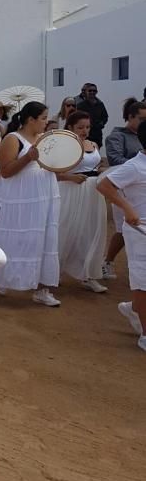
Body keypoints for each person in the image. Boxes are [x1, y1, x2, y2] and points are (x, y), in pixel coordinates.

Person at [0, 101, 61, 307]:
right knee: (18, 239)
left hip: (45, 196)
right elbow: (6, 171)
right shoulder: (13, 139)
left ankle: (42, 288)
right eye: (44, 118)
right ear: (31, 120)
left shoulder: (44, 139)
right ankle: (2, 278)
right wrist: (29, 157)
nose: (47, 123)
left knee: (45, 239)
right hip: (22, 199)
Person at [97, 122, 146, 353]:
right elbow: (104, 184)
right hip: (139, 230)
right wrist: (127, 208)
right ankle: (145, 335)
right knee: (143, 281)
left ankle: (133, 308)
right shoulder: (135, 167)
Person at [56, 111, 107, 293]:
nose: (85, 130)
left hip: (93, 191)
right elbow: (53, 173)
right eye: (80, 127)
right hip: (71, 190)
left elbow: (96, 164)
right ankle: (55, 272)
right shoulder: (64, 146)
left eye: (87, 127)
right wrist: (69, 177)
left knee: (92, 231)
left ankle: (88, 274)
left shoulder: (93, 144)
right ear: (70, 127)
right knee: (66, 229)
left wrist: (101, 170)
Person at [102, 98, 146, 279]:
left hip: (137, 183)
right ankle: (108, 261)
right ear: (130, 117)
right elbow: (115, 159)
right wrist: (136, 167)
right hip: (122, 187)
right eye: (142, 119)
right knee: (123, 230)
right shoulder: (116, 136)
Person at [76, 83, 108, 148]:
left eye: (94, 91)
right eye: (90, 90)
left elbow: (105, 117)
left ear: (97, 92)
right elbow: (77, 119)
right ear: (86, 92)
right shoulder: (80, 106)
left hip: (97, 135)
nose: (92, 92)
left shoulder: (100, 104)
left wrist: (101, 124)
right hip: (85, 135)